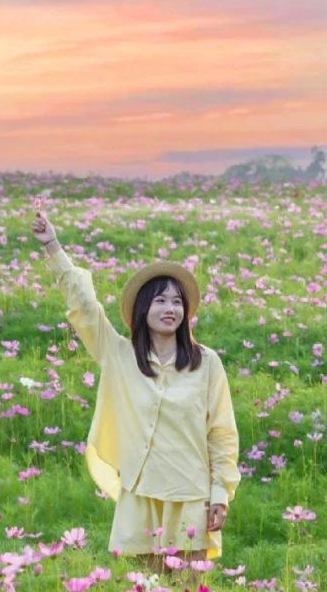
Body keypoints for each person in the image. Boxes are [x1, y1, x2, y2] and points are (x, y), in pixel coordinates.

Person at [31, 207, 240, 573]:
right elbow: (84, 306)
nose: (170, 308)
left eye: (177, 301)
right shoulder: (119, 355)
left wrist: (219, 493)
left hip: (190, 495)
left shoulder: (206, 363)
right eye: (160, 300)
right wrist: (53, 247)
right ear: (144, 309)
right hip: (141, 492)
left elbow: (221, 434)